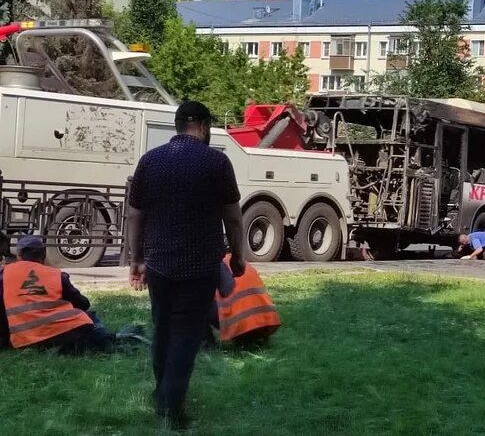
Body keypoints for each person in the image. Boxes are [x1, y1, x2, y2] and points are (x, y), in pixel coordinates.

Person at [127, 100, 246, 429]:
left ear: (177, 125)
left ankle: (161, 394)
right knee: (186, 336)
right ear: (205, 127)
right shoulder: (217, 162)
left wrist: (137, 259)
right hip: (200, 267)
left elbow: (135, 214)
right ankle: (171, 408)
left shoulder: (150, 161)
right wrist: (237, 255)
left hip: (160, 265)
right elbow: (233, 217)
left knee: (163, 328)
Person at [0, 235, 144, 352]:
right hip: (59, 333)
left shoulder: (4, 274)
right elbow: (83, 303)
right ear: (43, 256)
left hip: (22, 339)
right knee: (89, 316)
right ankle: (107, 340)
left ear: (19, 255)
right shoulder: (55, 275)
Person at [210, 257, 280, 346]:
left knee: (194, 300)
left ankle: (207, 344)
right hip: (265, 324)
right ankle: (257, 338)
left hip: (238, 326)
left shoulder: (213, 265)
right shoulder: (241, 262)